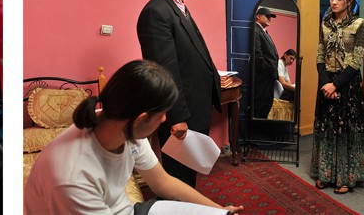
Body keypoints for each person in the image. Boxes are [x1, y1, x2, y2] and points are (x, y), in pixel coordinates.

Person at [24, 60, 243, 215]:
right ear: (142, 119)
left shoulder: (122, 123)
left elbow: (162, 182)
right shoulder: (71, 179)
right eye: (163, 114)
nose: (166, 119)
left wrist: (218, 209)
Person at [137, 0, 221, 188]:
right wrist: (178, 117)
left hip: (194, 107)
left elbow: (192, 54)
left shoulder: (178, 7)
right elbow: (165, 70)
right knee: (177, 178)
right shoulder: (156, 12)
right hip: (181, 114)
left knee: (188, 174)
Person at [312, 0, 364, 194]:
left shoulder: (359, 24)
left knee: (345, 130)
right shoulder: (325, 23)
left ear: (349, 1)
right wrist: (326, 83)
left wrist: (335, 84)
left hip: (348, 84)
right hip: (326, 81)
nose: (334, 2)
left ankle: (345, 178)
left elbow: (356, 61)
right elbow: (319, 55)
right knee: (327, 127)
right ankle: (325, 174)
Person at [253, 8, 279, 119]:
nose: (269, 18)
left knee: (266, 106)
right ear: (258, 16)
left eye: (271, 17)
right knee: (260, 107)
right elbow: (258, 55)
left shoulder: (264, 31)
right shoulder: (256, 30)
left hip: (269, 77)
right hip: (263, 77)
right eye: (267, 16)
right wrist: (268, 70)